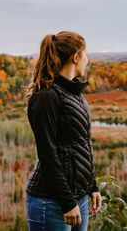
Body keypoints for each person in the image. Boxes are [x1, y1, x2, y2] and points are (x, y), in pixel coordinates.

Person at [22, 31, 103, 231]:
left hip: (80, 199)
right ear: (76, 57)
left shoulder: (76, 95)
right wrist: (67, 202)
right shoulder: (47, 97)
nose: (87, 59)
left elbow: (82, 144)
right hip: (51, 203)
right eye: (85, 54)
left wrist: (92, 187)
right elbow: (48, 153)